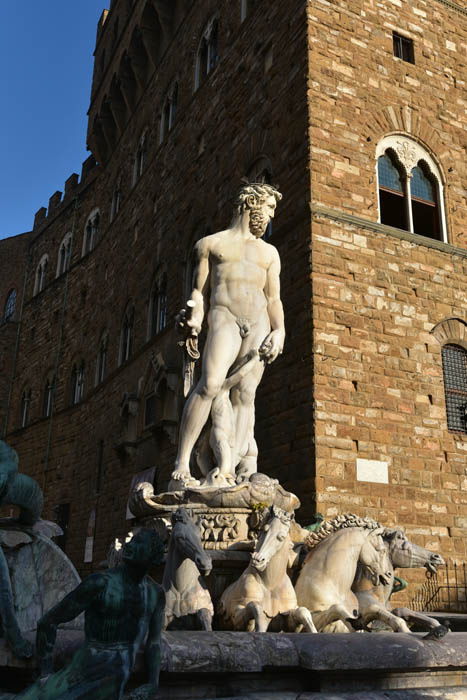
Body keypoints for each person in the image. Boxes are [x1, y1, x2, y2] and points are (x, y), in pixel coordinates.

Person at [172, 182, 285, 489]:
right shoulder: (211, 245)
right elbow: (199, 292)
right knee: (208, 385)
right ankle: (182, 461)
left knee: (245, 396)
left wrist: (280, 330)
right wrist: (194, 315)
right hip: (225, 316)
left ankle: (240, 465)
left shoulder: (269, 253)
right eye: (269, 208)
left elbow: (273, 298)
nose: (272, 215)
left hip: (259, 321)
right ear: (251, 204)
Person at [17, 529, 165, 700]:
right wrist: (45, 675)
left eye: (138, 542)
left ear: (152, 556)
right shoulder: (100, 583)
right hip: (85, 667)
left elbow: (154, 643)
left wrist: (153, 684)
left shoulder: (155, 594)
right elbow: (48, 621)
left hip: (112, 675)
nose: (129, 545)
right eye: (131, 541)